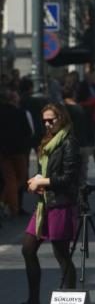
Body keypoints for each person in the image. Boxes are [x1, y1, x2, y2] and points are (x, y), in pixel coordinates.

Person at [11, 104, 79, 304]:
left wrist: (44, 181)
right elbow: (43, 169)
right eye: (45, 121)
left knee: (61, 254)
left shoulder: (69, 142)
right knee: (28, 248)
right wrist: (37, 179)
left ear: (62, 118)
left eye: (52, 120)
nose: (48, 124)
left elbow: (69, 178)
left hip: (60, 203)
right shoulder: (48, 140)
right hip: (44, 204)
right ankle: (33, 301)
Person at [0, 89, 33, 217]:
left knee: (9, 178)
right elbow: (29, 131)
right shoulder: (21, 113)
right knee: (21, 177)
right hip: (19, 150)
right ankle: (10, 206)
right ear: (15, 99)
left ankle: (7, 203)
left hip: (3, 150)